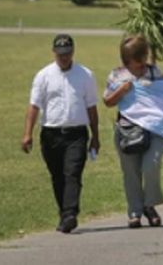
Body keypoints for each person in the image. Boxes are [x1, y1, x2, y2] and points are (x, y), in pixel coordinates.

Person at [21, 34, 100, 234]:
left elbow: (92, 108)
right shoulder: (44, 76)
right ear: (54, 53)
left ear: (73, 52)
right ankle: (65, 214)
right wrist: (27, 134)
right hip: (51, 134)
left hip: (76, 134)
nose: (64, 57)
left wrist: (95, 136)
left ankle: (70, 213)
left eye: (67, 53)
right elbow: (34, 106)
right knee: (57, 176)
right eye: (60, 54)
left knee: (72, 173)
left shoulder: (85, 75)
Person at [103, 35, 163, 229]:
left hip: (154, 129)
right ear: (126, 59)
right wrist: (122, 90)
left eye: (143, 58)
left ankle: (150, 204)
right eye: (136, 60)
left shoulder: (154, 72)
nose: (141, 64)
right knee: (130, 173)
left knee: (151, 165)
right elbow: (107, 101)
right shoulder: (116, 75)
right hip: (127, 130)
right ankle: (134, 212)